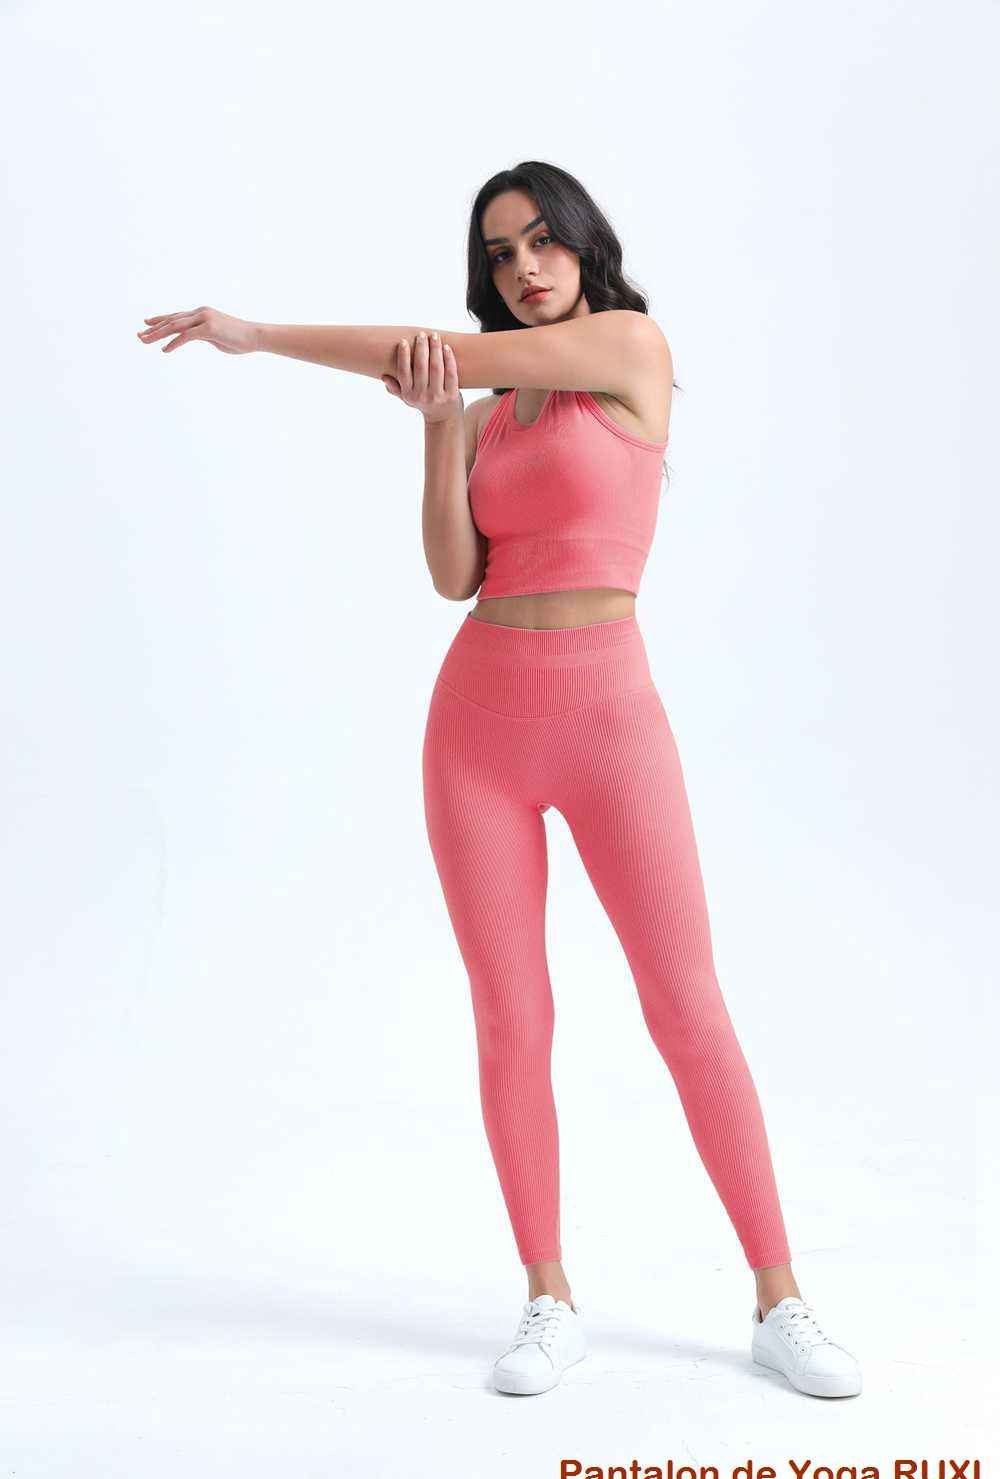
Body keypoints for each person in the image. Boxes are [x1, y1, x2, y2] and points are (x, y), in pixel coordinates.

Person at [136, 159, 861, 1402]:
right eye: (499, 253)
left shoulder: (628, 349)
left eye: (541, 242)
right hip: (476, 726)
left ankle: (777, 1299)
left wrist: (257, 337)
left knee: (686, 1005)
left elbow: (422, 349)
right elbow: (451, 575)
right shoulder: (481, 410)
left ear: (584, 246)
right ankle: (547, 1296)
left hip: (610, 722)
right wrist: (435, 427)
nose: (523, 268)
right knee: (509, 1018)